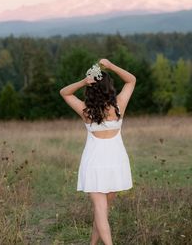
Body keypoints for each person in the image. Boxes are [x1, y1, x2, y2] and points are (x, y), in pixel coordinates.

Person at [60, 58, 136, 245]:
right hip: (115, 162)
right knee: (102, 210)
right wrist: (110, 66)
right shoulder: (119, 105)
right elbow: (131, 80)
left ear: (90, 89)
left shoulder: (86, 111)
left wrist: (82, 82)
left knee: (101, 211)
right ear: (109, 87)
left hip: (94, 163)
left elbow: (64, 92)